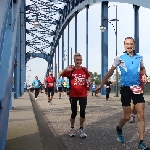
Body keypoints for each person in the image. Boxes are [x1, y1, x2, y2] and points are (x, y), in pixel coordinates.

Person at [95, 37, 149, 150]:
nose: (129, 46)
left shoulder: (139, 57)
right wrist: (101, 85)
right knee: (127, 116)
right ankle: (119, 129)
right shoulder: (120, 57)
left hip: (137, 88)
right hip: (125, 88)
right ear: (124, 45)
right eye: (127, 44)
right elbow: (110, 72)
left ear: (134, 44)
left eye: (131, 44)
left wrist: (144, 75)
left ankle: (141, 143)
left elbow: (143, 69)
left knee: (141, 114)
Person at [58, 53, 90, 138]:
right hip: (73, 94)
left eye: (80, 60)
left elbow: (88, 77)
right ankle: (72, 128)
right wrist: (65, 69)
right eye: (77, 60)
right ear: (74, 61)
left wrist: (88, 82)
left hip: (83, 94)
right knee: (74, 112)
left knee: (82, 112)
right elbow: (59, 74)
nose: (79, 61)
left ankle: (81, 129)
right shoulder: (71, 70)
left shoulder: (84, 69)